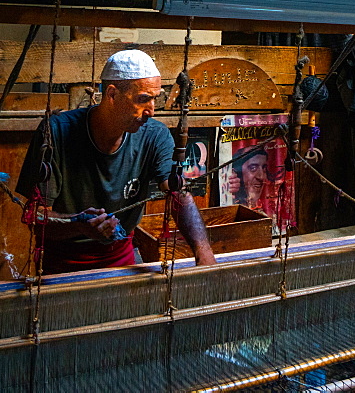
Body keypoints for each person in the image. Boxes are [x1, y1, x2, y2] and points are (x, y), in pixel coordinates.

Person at [16, 49, 216, 273]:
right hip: (63, 261)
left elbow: (178, 193)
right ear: (112, 95)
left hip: (120, 254)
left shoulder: (154, 135)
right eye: (143, 100)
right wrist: (80, 224)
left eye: (155, 99)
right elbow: (35, 217)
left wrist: (204, 253)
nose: (151, 111)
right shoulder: (57, 133)